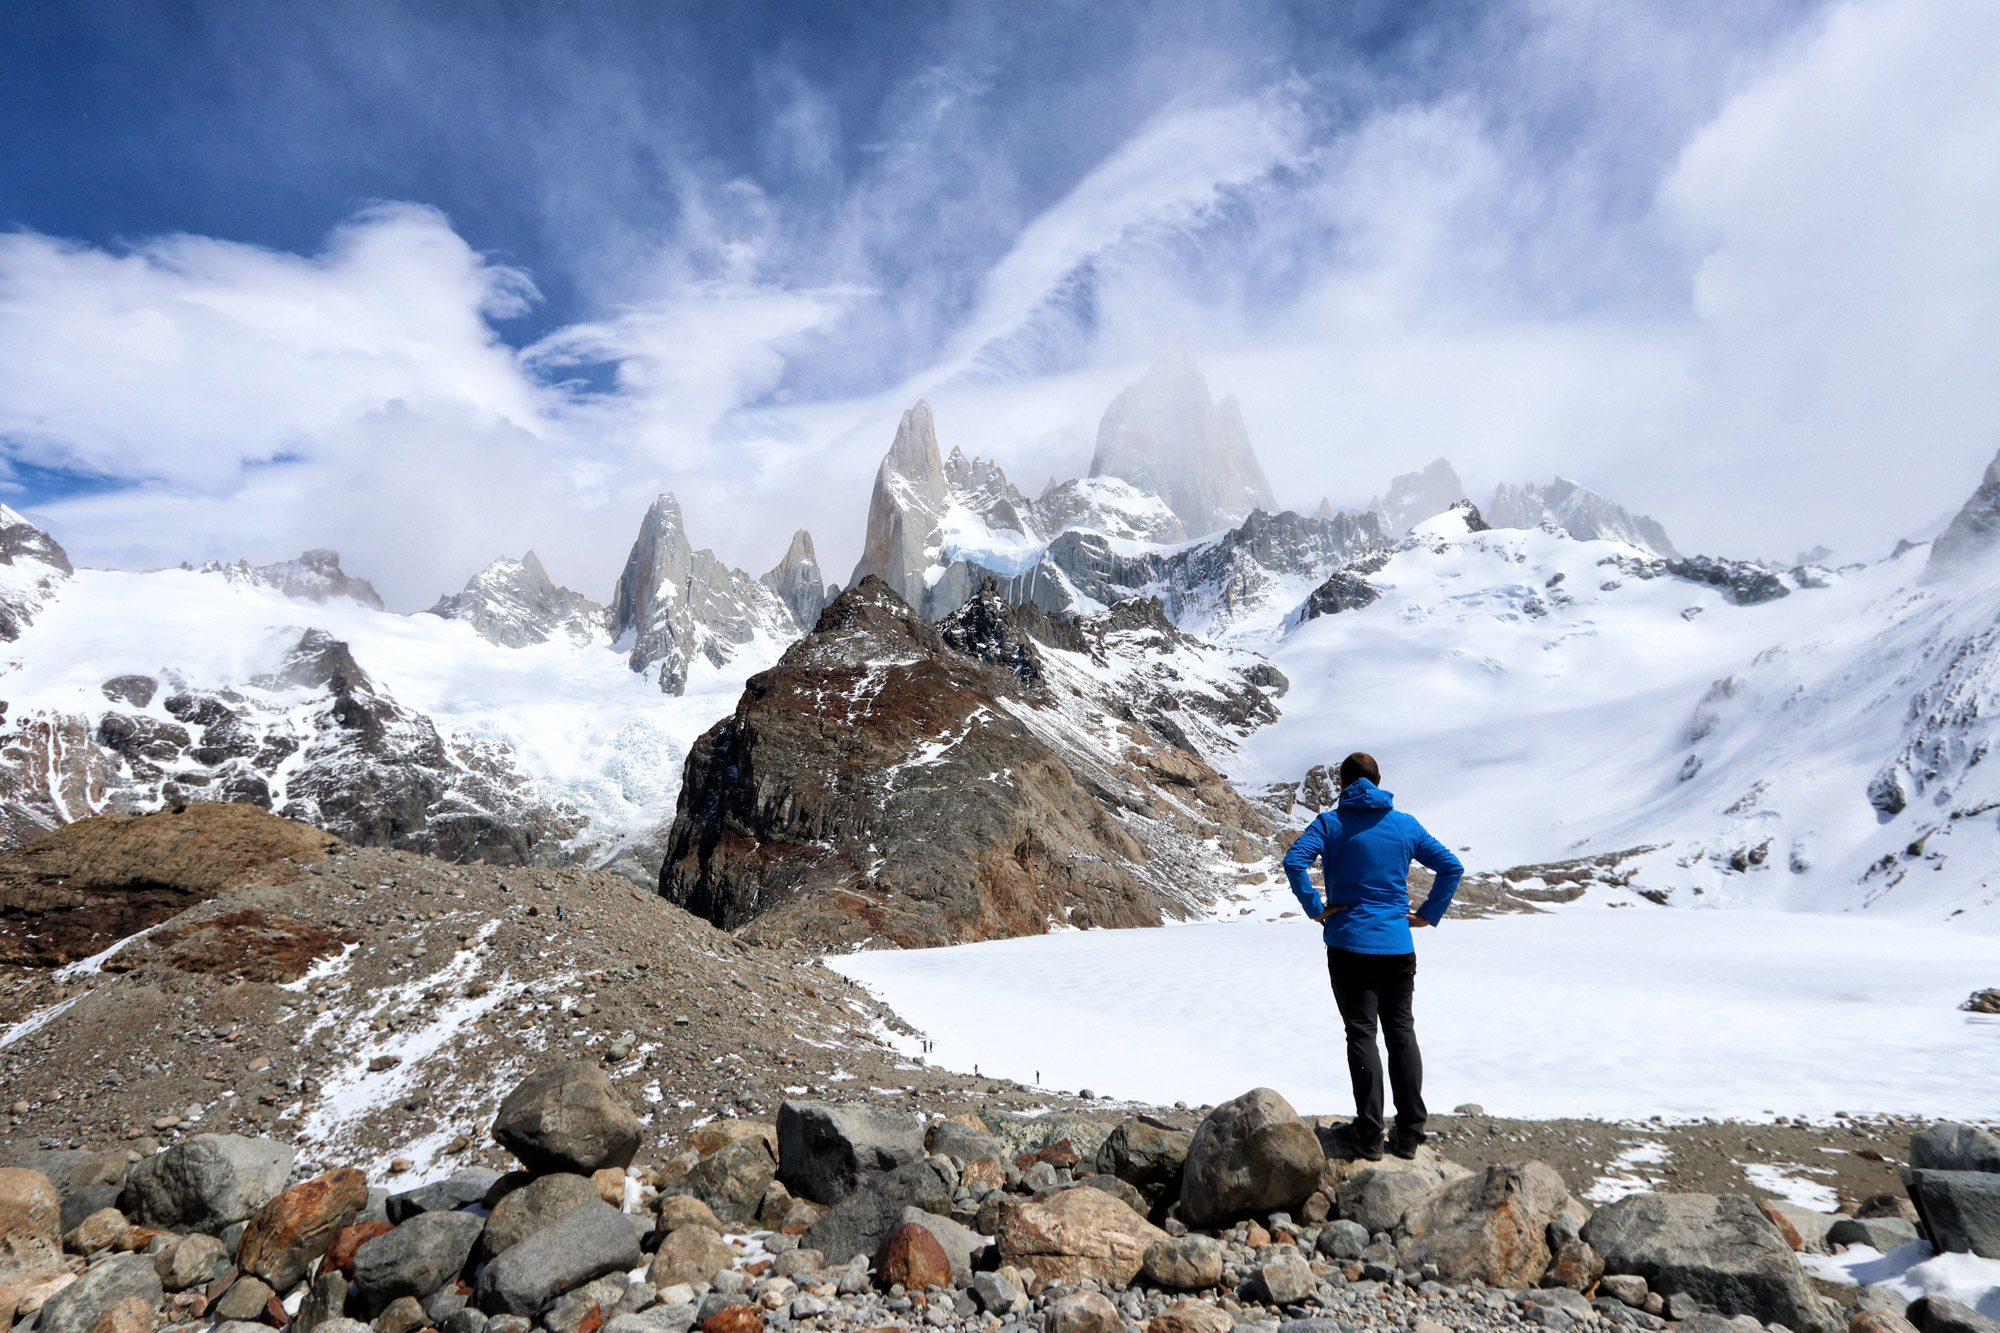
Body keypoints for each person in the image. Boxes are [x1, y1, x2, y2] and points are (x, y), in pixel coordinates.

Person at [1283, 752, 1463, 1161]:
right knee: (1401, 1032)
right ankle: (1410, 1133)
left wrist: (1315, 907)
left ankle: (1368, 1134)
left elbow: (1294, 860)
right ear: (1379, 780)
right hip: (1398, 946)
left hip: (1349, 944)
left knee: (1362, 1034)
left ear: (1342, 784)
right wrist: (1427, 914)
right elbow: (1451, 867)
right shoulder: (1405, 825)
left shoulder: (1329, 824)